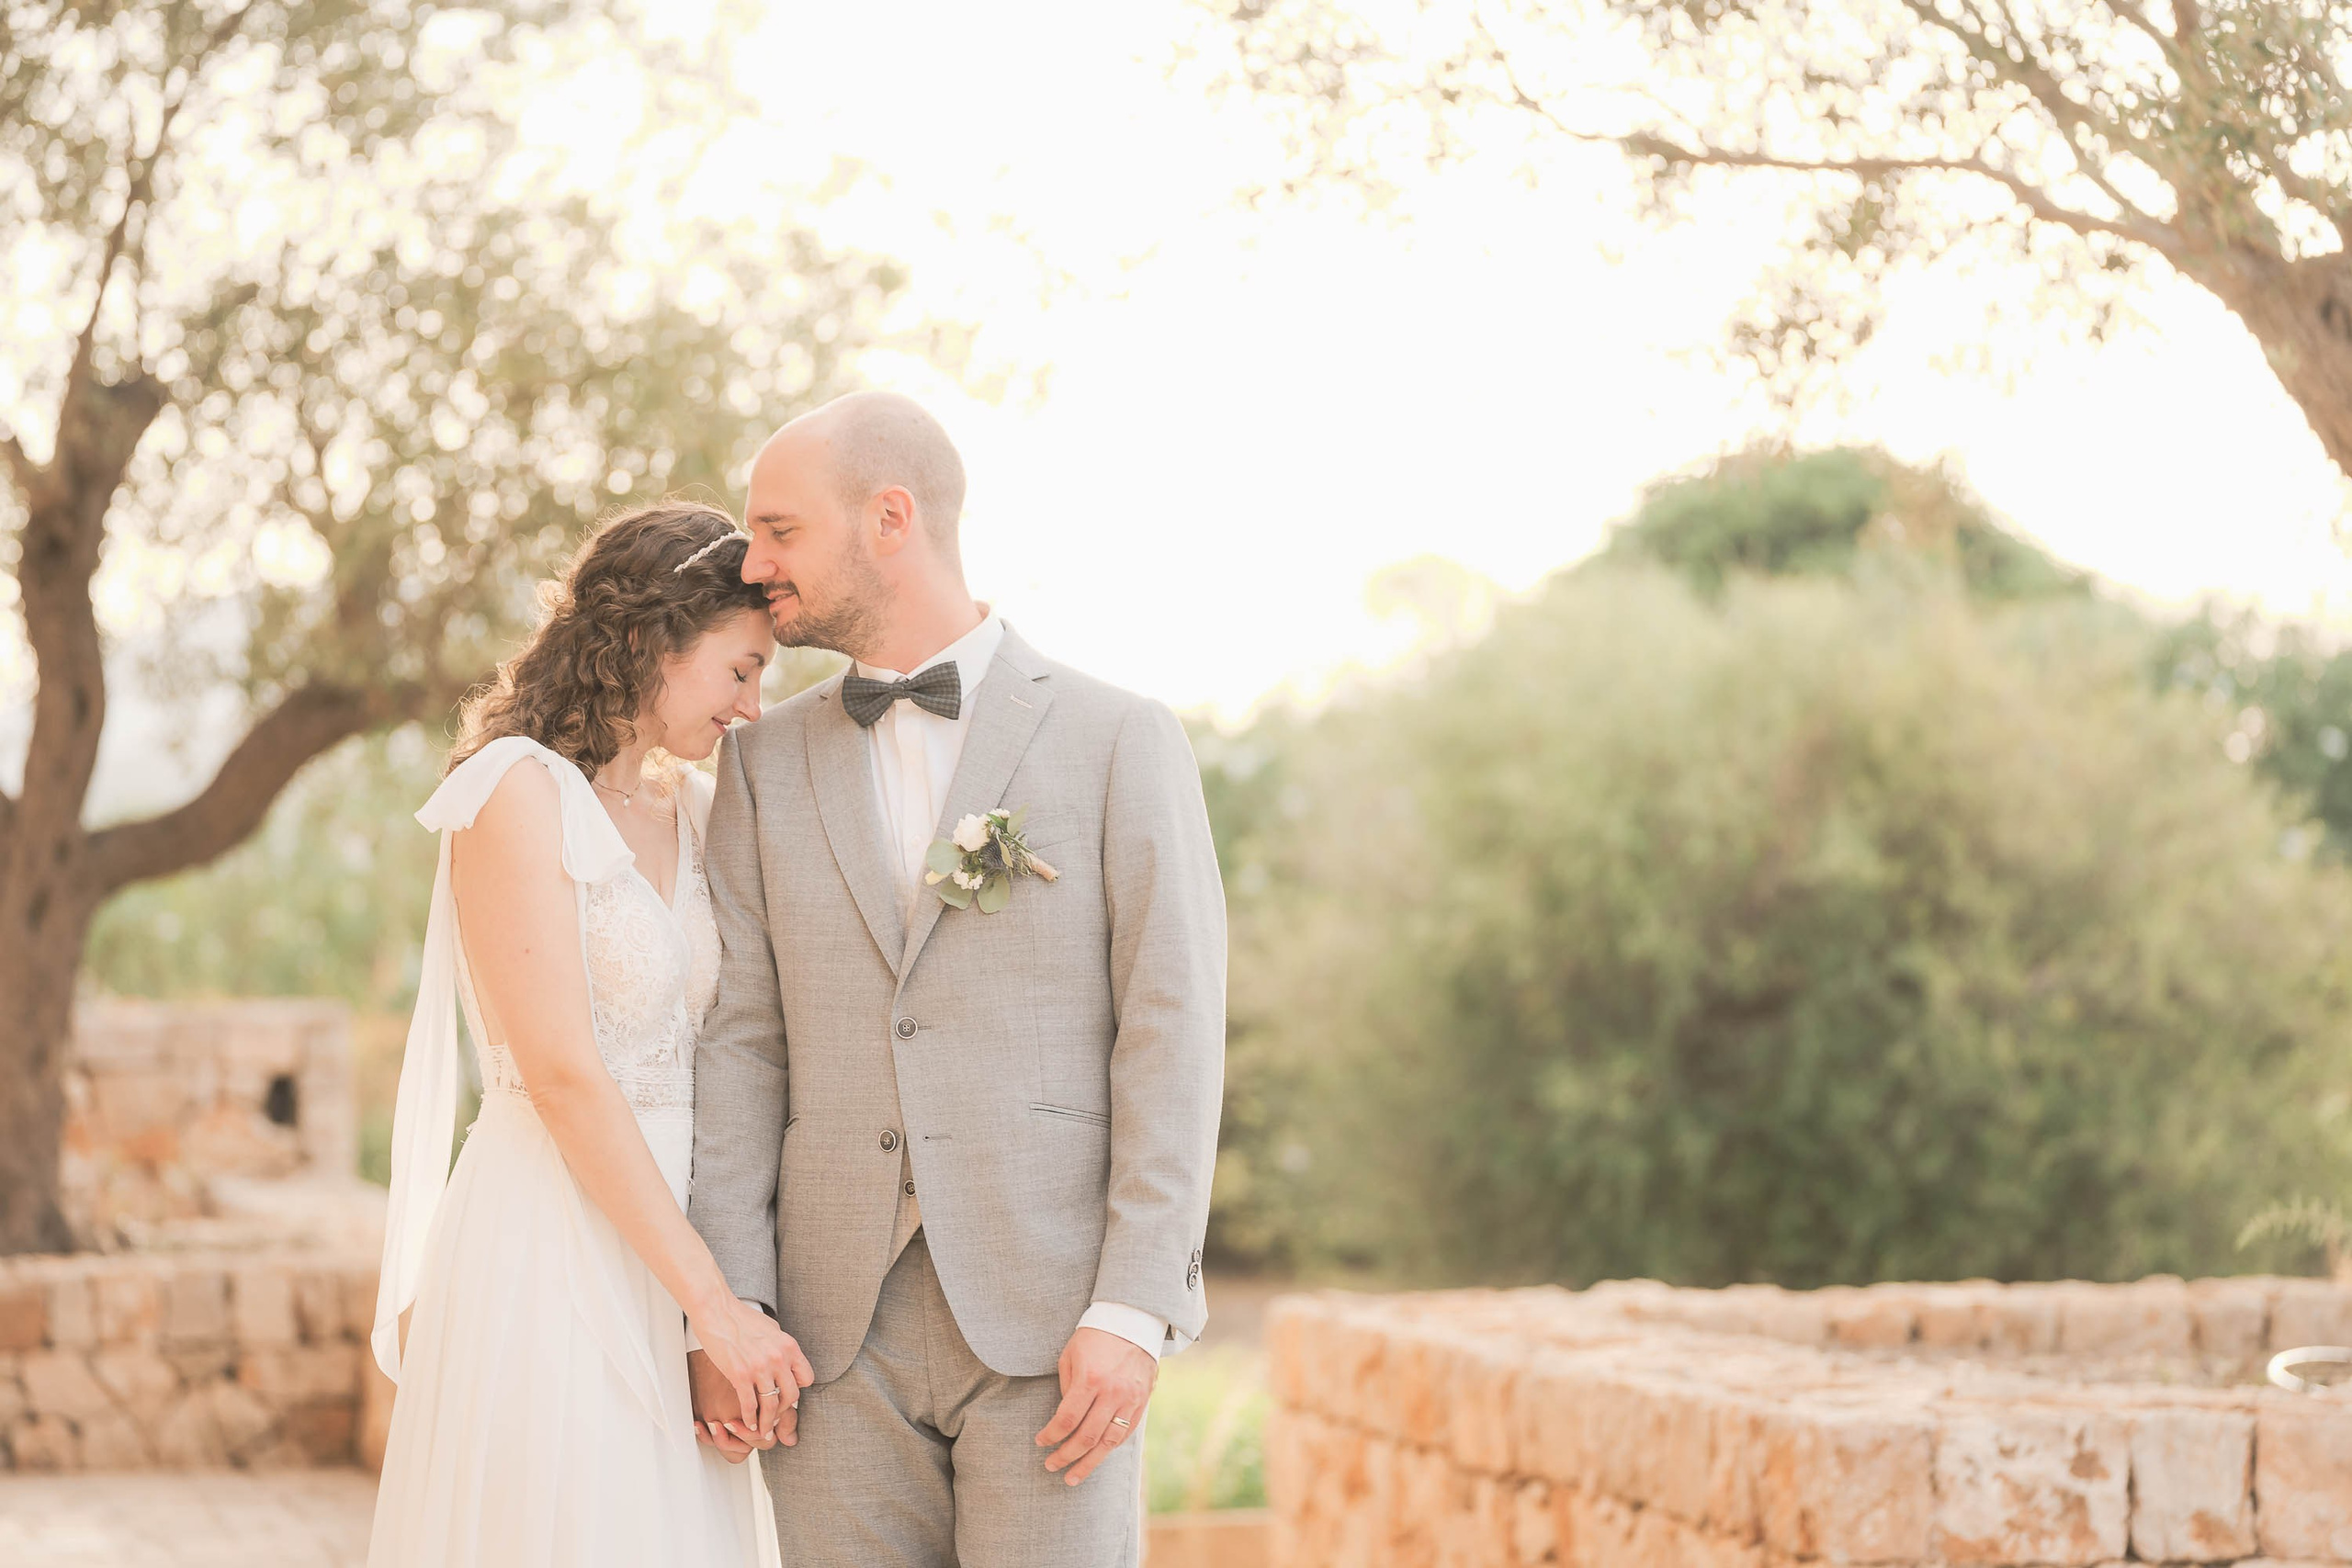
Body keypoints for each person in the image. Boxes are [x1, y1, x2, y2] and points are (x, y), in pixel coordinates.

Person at [686, 391, 1227, 1566]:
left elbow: (1171, 1032)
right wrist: (729, 1309)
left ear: (891, 518)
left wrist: (1133, 1307)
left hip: (1056, 1326)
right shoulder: (762, 763)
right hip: (825, 1342)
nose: (752, 561)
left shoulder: (1119, 738)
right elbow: (741, 1043)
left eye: (779, 529)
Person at [367, 502, 798, 1568]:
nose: (752, 706)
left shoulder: (701, 809)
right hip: (551, 1243)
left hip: (683, 1253)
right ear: (654, 639)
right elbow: (563, 1075)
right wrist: (716, 1309)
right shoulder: (512, 792)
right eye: (740, 670)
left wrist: (712, 1314)